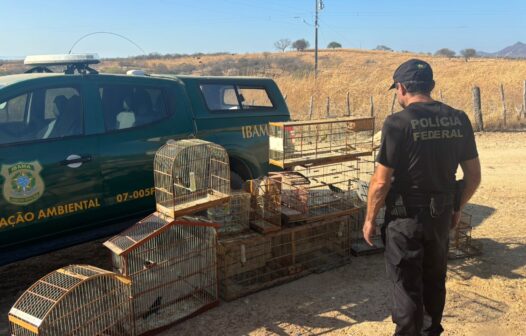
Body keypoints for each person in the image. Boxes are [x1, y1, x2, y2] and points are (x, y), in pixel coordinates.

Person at [363, 59, 481, 336]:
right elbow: (473, 176)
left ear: (402, 87)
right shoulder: (459, 118)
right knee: (434, 279)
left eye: (396, 90)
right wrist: (456, 207)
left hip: (406, 219)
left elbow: (380, 182)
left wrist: (369, 219)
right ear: (432, 86)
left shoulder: (397, 123)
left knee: (406, 284)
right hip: (440, 216)